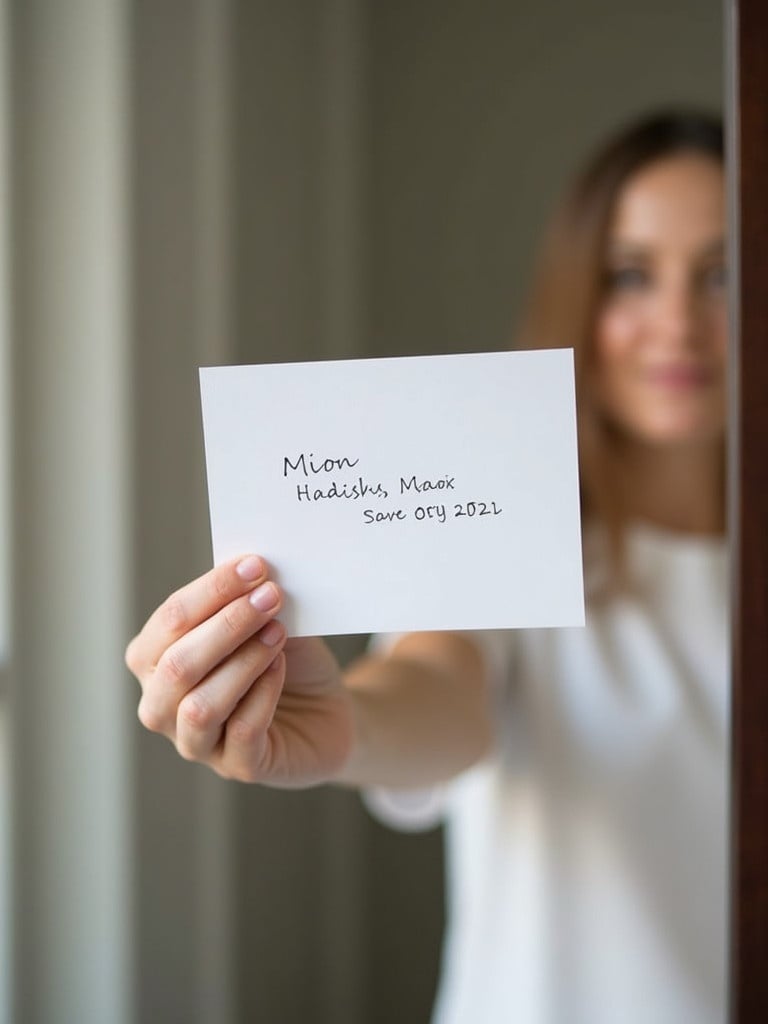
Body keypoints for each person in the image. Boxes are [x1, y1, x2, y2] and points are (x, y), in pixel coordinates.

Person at [125, 110, 728, 1024]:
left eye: (722, 274)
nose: (679, 322)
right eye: (632, 275)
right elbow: (444, 684)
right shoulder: (519, 531)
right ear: (578, 293)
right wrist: (353, 724)